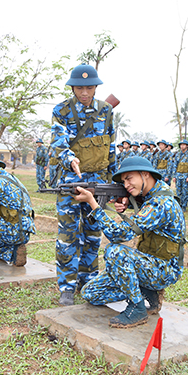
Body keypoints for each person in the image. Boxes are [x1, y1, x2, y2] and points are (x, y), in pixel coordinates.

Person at [74, 156, 186, 329]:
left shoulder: (161, 203)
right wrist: (129, 201)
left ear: (145, 174)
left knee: (114, 251)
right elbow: (143, 205)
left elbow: (116, 234)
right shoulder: (152, 196)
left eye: (129, 178)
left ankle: (137, 308)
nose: (126, 185)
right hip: (147, 264)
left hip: (164, 270)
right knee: (90, 293)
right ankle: (147, 292)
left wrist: (93, 203)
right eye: (123, 181)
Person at [51, 63, 116, 306]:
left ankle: (88, 281)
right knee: (68, 234)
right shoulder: (62, 110)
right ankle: (67, 286)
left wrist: (114, 182)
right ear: (73, 88)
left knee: (93, 233)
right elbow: (58, 143)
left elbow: (111, 147)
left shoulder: (107, 110)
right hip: (71, 180)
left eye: (89, 88)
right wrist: (69, 159)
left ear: (96, 88)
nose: (85, 93)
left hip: (98, 182)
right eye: (80, 88)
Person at [171, 139, 188, 211]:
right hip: (178, 175)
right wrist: (174, 176)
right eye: (181, 145)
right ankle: (179, 204)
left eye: (183, 145)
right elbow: (175, 165)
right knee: (178, 191)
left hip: (185, 176)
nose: (182, 146)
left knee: (185, 191)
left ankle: (184, 205)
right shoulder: (177, 155)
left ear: (187, 146)